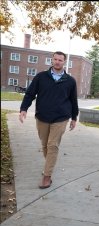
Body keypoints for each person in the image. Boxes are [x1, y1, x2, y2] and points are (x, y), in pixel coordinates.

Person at [18, 51, 79, 189]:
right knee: (45, 145)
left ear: (64, 62)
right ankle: (48, 166)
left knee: (52, 145)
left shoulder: (70, 81)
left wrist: (74, 117)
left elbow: (73, 101)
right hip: (42, 117)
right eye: (55, 59)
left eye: (60, 60)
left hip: (61, 118)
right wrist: (24, 109)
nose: (57, 62)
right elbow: (30, 94)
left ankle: (47, 176)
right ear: (52, 60)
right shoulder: (41, 77)